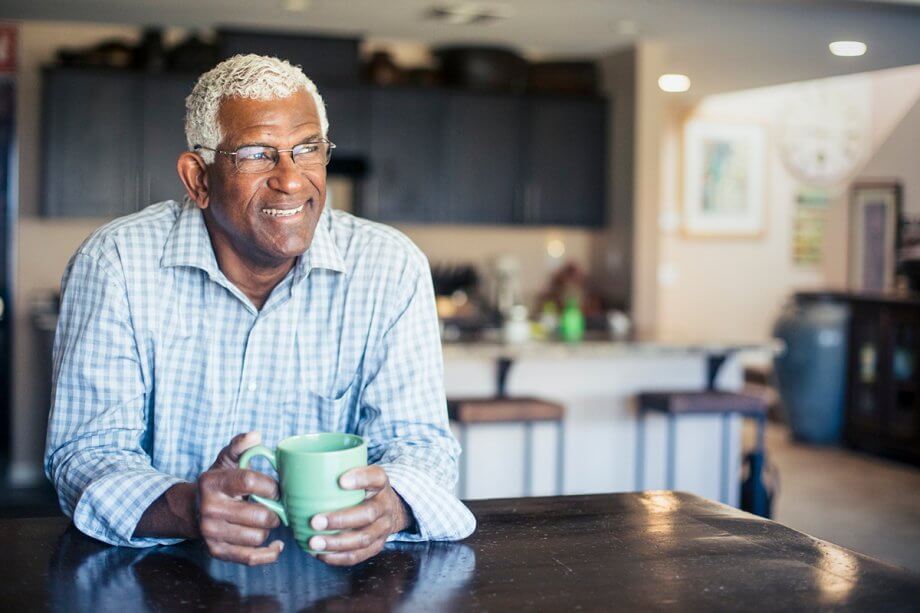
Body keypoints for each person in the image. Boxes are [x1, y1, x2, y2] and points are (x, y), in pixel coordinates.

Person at [44, 54, 475, 566]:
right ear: (198, 179)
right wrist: (187, 508)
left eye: (307, 149)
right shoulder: (115, 264)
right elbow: (85, 455)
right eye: (256, 153)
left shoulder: (390, 266)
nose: (291, 180)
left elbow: (420, 443)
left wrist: (395, 505)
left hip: (337, 579)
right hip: (163, 575)